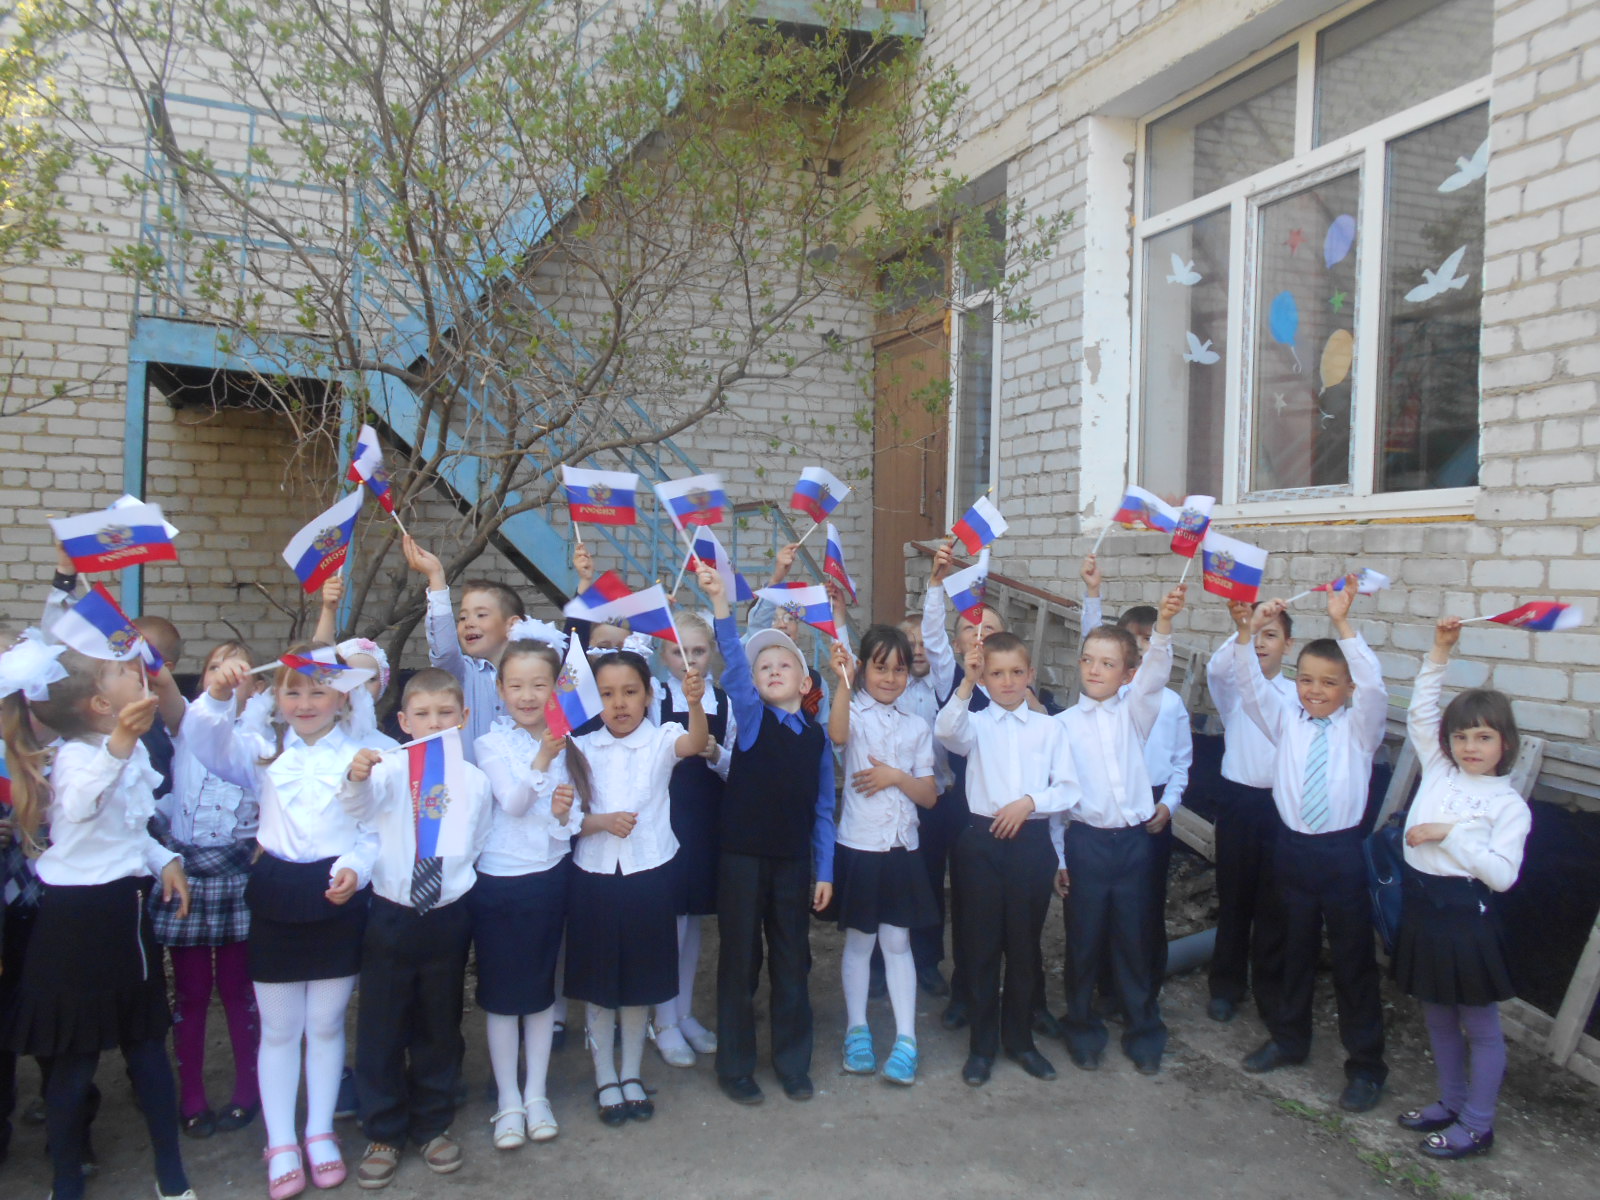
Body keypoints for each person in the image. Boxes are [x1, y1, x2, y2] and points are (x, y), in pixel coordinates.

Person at [0, 637, 197, 1200]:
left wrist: (165, 860)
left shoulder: (126, 752)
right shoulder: (74, 757)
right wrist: (121, 743)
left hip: (125, 916)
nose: (137, 672)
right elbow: (83, 804)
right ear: (101, 704)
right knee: (73, 1060)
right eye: (121, 671)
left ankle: (171, 1173)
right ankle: (65, 1179)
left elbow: (129, 831)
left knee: (147, 1048)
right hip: (73, 924)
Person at [187, 646, 378, 1198]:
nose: (305, 702)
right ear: (275, 697)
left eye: (319, 690)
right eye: (292, 691)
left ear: (342, 697)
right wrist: (218, 694)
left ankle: (319, 1131)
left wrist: (356, 869)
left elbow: (373, 832)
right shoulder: (260, 750)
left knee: (326, 1023)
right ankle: (281, 1141)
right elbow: (204, 741)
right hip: (276, 891)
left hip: (336, 894)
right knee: (279, 1027)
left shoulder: (362, 754)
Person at [1230, 581, 1389, 1113]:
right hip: (1291, 850)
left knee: (1352, 961)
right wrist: (1250, 628)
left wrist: (1343, 623)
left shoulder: (1360, 729)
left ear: (1347, 688)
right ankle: (1289, 1038)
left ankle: (1365, 1066)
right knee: (1290, 951)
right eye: (1305, 680)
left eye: (1328, 682)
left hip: (1341, 854)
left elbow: (1375, 687)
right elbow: (1249, 682)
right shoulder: (1283, 720)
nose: (1315, 691)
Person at [341, 670, 494, 1188]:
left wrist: (454, 885)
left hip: (447, 914)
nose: (434, 723)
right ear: (404, 722)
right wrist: (357, 776)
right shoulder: (387, 770)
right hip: (392, 914)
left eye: (445, 714)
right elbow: (357, 807)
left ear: (463, 718)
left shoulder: (473, 782)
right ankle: (383, 1129)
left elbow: (476, 840)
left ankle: (432, 1122)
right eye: (422, 715)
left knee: (439, 1023)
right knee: (382, 1023)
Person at [1393, 616, 1530, 1160]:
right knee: (1436, 1015)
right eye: (1461, 736)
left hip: (1465, 918)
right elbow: (1420, 712)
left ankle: (1477, 1124)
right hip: (1423, 908)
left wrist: (1449, 834)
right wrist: (1439, 651)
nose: (1470, 746)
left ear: (1505, 743)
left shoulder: (1508, 805)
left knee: (1481, 1025)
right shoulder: (1440, 771)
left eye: (1483, 737)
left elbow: (1502, 875)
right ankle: (1450, 1102)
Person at [705, 566, 835, 1106]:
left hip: (792, 864)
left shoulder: (817, 738)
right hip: (741, 860)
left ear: (805, 683)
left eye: (784, 664)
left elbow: (824, 810)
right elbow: (733, 662)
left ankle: (792, 1062)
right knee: (739, 961)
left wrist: (825, 871)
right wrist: (721, 605)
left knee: (792, 960)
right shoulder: (753, 719)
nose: (772, 669)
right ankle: (735, 1066)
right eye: (764, 666)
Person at [566, 650, 707, 1126]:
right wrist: (601, 822)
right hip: (595, 877)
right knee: (601, 983)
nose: (619, 703)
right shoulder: (580, 747)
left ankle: (631, 1073)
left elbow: (695, 742)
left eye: (630, 692)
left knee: (639, 982)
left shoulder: (662, 738)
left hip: (649, 874)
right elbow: (564, 819)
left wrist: (694, 703)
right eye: (607, 694)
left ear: (648, 695)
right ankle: (605, 1075)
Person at [1052, 584, 1187, 1076]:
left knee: (1134, 939)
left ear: (1128, 674)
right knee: (1083, 942)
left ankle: (1143, 1029)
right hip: (1085, 844)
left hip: (1133, 844)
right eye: (1088, 660)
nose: (1094, 670)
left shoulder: (1138, 711)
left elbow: (1156, 672)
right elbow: (1058, 804)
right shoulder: (1062, 725)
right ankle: (1081, 1026)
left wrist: (1164, 625)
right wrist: (1060, 858)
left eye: (1108, 664)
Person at [934, 632, 1079, 1087]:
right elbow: (945, 732)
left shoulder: (1049, 729)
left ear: (1030, 674)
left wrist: (1030, 802)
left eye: (1017, 672)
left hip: (1030, 843)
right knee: (980, 948)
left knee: (1023, 947)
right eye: (996, 674)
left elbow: (1069, 788)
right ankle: (982, 1047)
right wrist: (965, 683)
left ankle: (1020, 1040)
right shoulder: (975, 724)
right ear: (985, 679)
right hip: (981, 844)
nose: (1008, 681)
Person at [471, 635, 583, 1149]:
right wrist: (541, 760)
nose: (527, 695)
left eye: (539, 684)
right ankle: (508, 1099)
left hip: (549, 877)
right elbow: (513, 804)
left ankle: (536, 1094)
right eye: (516, 685)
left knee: (540, 992)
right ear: (500, 689)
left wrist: (562, 815)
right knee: (501, 996)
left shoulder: (570, 743)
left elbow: (568, 822)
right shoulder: (490, 744)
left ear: (556, 689)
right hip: (499, 881)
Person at [150, 641, 265, 1140]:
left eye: (239, 669)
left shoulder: (264, 738)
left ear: (258, 686)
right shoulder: (186, 726)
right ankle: (191, 1094)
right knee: (192, 991)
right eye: (216, 667)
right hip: (189, 876)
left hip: (241, 874)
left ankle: (249, 1088)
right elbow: (160, 680)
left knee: (239, 990)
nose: (227, 675)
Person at [1077, 554, 1194, 1003]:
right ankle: (1105, 989)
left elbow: (1182, 763)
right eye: (1136, 642)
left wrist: (1169, 805)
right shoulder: (1101, 702)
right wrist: (1093, 593)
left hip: (1153, 807)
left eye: (1149, 641)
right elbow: (1094, 643)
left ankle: (1145, 988)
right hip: (1105, 811)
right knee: (1102, 912)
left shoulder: (1165, 702)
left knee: (1145, 907)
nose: (1144, 649)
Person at [827, 627, 938, 1085]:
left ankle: (907, 1039)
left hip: (902, 848)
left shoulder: (917, 727)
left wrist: (895, 776)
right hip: (860, 846)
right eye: (880, 667)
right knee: (860, 942)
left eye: (899, 669)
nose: (890, 678)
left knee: (897, 943)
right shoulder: (853, 713)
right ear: (863, 669)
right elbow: (836, 734)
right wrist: (843, 681)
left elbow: (929, 795)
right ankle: (857, 1031)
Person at [920, 542, 1011, 1029]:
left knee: (993, 907)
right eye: (971, 630)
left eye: (989, 629)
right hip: (957, 806)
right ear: (958, 645)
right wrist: (936, 583)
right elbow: (932, 636)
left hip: (1002, 811)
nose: (980, 636)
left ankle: (1011, 993)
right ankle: (952, 983)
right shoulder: (950, 677)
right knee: (949, 893)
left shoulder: (1016, 687)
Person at [1204, 598, 1294, 1025]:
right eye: (1257, 635)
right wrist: (1246, 627)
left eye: (1270, 635)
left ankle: (1270, 991)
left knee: (1275, 902)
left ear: (1288, 645)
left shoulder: (1298, 696)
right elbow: (1216, 670)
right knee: (1234, 897)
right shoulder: (1235, 689)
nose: (1261, 643)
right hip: (1238, 802)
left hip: (1281, 807)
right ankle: (1226, 986)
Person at [651, 611, 731, 1068]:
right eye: (678, 652)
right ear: (663, 655)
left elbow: (736, 766)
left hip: (705, 820)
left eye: (698, 651)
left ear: (712, 653)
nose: (689, 661)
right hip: (667, 819)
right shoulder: (656, 697)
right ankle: (663, 1021)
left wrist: (718, 754)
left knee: (694, 919)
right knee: (672, 922)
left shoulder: (724, 701)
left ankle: (683, 1013)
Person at [402, 535, 525, 754]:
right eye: (463, 617)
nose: (469, 623)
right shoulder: (461, 673)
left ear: (512, 625)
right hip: (467, 775)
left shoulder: (531, 672)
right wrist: (436, 578)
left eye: (481, 615)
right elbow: (445, 650)